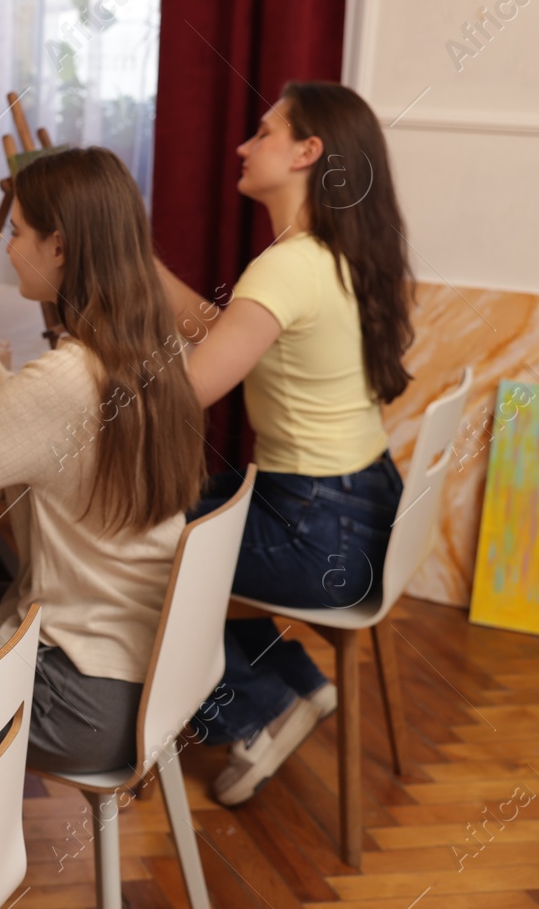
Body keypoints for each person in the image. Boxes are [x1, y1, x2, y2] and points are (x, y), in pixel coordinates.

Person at [0, 146, 207, 774]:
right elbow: (13, 415)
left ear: (61, 247)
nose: (11, 246)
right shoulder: (154, 349)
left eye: (18, 232)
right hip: (140, 676)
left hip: (73, 698)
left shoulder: (70, 377)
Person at [155, 81, 413, 806]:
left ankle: (255, 707)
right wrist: (139, 268)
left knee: (134, 549)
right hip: (358, 507)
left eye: (263, 132)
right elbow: (228, 333)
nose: (243, 145)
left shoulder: (287, 265)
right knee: (165, 517)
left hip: (315, 529)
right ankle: (297, 681)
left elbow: (187, 392)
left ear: (307, 150)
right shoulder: (335, 253)